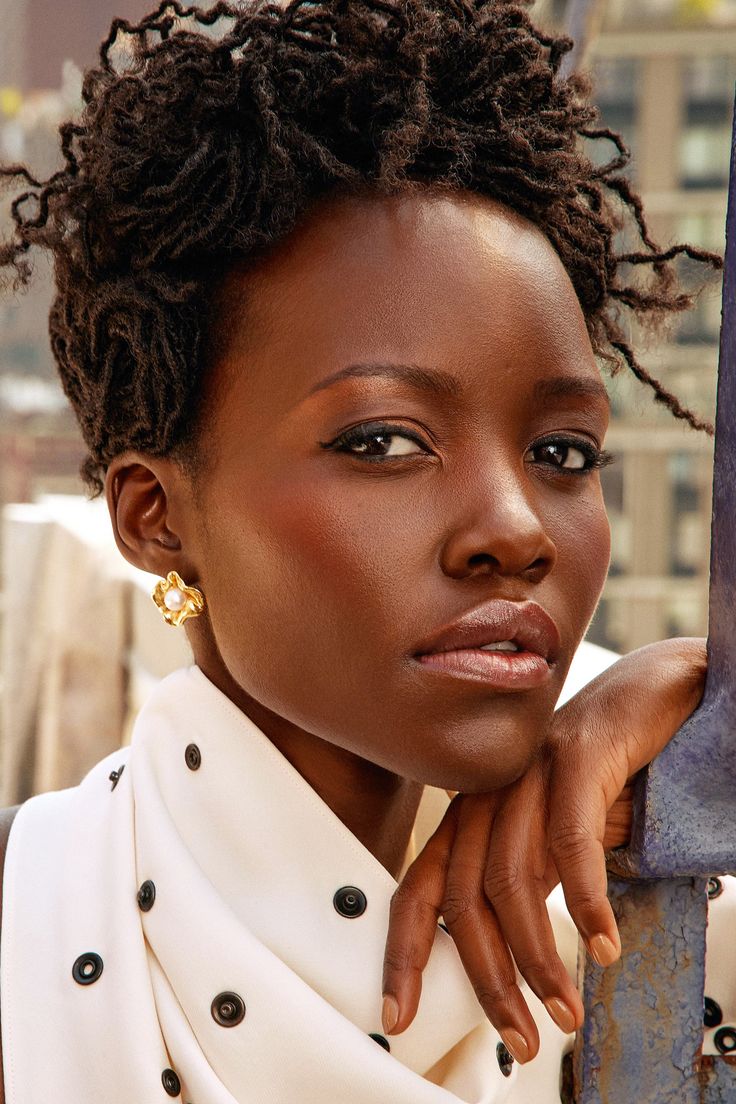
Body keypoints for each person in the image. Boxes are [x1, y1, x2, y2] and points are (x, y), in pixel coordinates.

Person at [0, 2, 723, 1101]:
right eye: (384, 440)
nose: (517, 530)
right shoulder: (24, 932)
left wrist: (711, 700)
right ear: (157, 516)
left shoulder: (665, 924)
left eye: (563, 452)